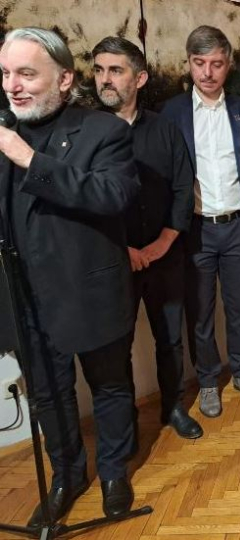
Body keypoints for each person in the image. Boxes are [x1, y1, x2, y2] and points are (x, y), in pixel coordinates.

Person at [0, 27, 139, 523]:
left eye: (26, 73)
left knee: (110, 387)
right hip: (24, 299)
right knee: (47, 395)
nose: (12, 85)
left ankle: (115, 472)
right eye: (5, 74)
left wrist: (27, 158)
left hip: (88, 292)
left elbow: (112, 195)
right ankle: (67, 475)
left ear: (63, 79)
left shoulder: (103, 131)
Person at [92, 37, 202, 440]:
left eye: (115, 70)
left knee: (169, 339)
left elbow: (182, 187)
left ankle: (173, 407)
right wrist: (123, 250)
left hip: (165, 257)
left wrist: (163, 242)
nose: (105, 79)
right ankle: (124, 424)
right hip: (111, 261)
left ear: (139, 79)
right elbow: (82, 201)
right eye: (99, 70)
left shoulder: (164, 129)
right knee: (115, 347)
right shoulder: (85, 132)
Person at [162, 26, 240, 416]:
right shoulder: (171, 113)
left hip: (239, 225)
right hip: (196, 229)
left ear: (228, 65)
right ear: (189, 63)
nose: (207, 72)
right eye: (199, 63)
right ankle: (208, 381)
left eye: (216, 64)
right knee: (200, 312)